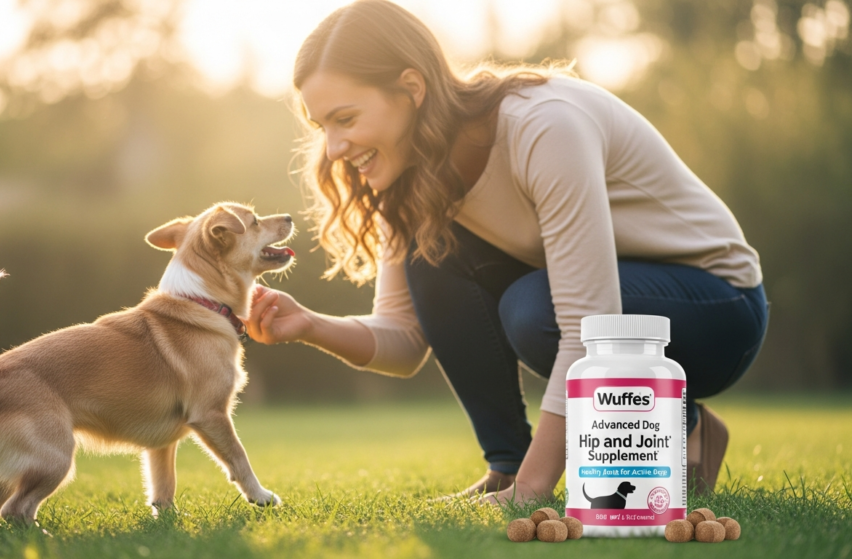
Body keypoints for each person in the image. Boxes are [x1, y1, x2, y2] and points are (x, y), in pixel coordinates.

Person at [243, 0, 768, 504]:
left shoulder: (544, 127)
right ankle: (507, 468)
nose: (333, 148)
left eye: (346, 119)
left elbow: (589, 324)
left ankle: (681, 425)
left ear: (411, 88)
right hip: (611, 314)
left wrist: (538, 491)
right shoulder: (409, 178)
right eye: (322, 127)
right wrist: (310, 324)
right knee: (438, 255)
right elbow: (404, 340)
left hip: (719, 309)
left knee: (533, 309)